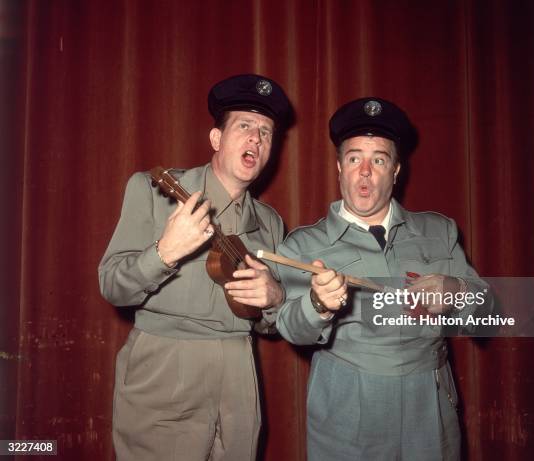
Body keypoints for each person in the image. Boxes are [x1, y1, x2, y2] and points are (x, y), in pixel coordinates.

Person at [275, 97, 492, 460]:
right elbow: (290, 328)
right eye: (354, 157)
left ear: (395, 170)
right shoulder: (304, 244)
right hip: (347, 409)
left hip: (430, 405)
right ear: (339, 168)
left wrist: (456, 291)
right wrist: (317, 305)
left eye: (378, 159)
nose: (364, 171)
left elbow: (487, 313)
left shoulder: (439, 231)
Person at [99, 74, 292, 461]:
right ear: (216, 139)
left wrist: (275, 299)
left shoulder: (270, 223)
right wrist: (164, 253)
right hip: (165, 364)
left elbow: (270, 323)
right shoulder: (154, 191)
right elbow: (112, 287)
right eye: (245, 126)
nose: (256, 138)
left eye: (266, 132)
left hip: (239, 370)